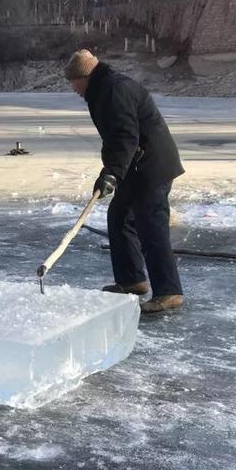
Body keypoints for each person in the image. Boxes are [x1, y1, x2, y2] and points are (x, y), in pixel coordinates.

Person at [64, 49, 185, 314]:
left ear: (85, 76)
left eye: (73, 81)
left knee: (151, 226)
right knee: (120, 216)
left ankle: (169, 291)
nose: (73, 88)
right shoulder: (103, 89)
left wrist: (112, 174)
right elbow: (119, 140)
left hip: (151, 166)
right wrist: (111, 172)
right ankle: (132, 280)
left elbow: (124, 137)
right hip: (136, 165)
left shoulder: (113, 90)